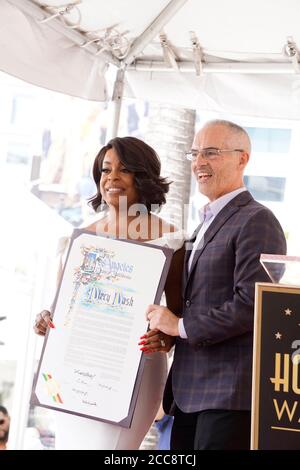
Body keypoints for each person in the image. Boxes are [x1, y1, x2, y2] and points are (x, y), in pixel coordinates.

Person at [34, 136, 184, 450]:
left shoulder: (171, 239)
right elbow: (61, 309)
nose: (111, 178)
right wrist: (46, 319)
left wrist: (166, 338)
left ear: (142, 176)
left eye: (123, 169)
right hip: (75, 372)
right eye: (105, 170)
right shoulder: (81, 238)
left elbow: (180, 316)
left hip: (135, 372)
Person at [144, 120, 287, 450]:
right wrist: (167, 333)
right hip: (189, 395)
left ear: (243, 158)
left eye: (211, 152)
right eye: (195, 153)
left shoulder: (257, 220)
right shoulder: (201, 228)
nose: (198, 163)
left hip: (229, 397)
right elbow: (198, 302)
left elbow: (253, 304)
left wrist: (179, 326)